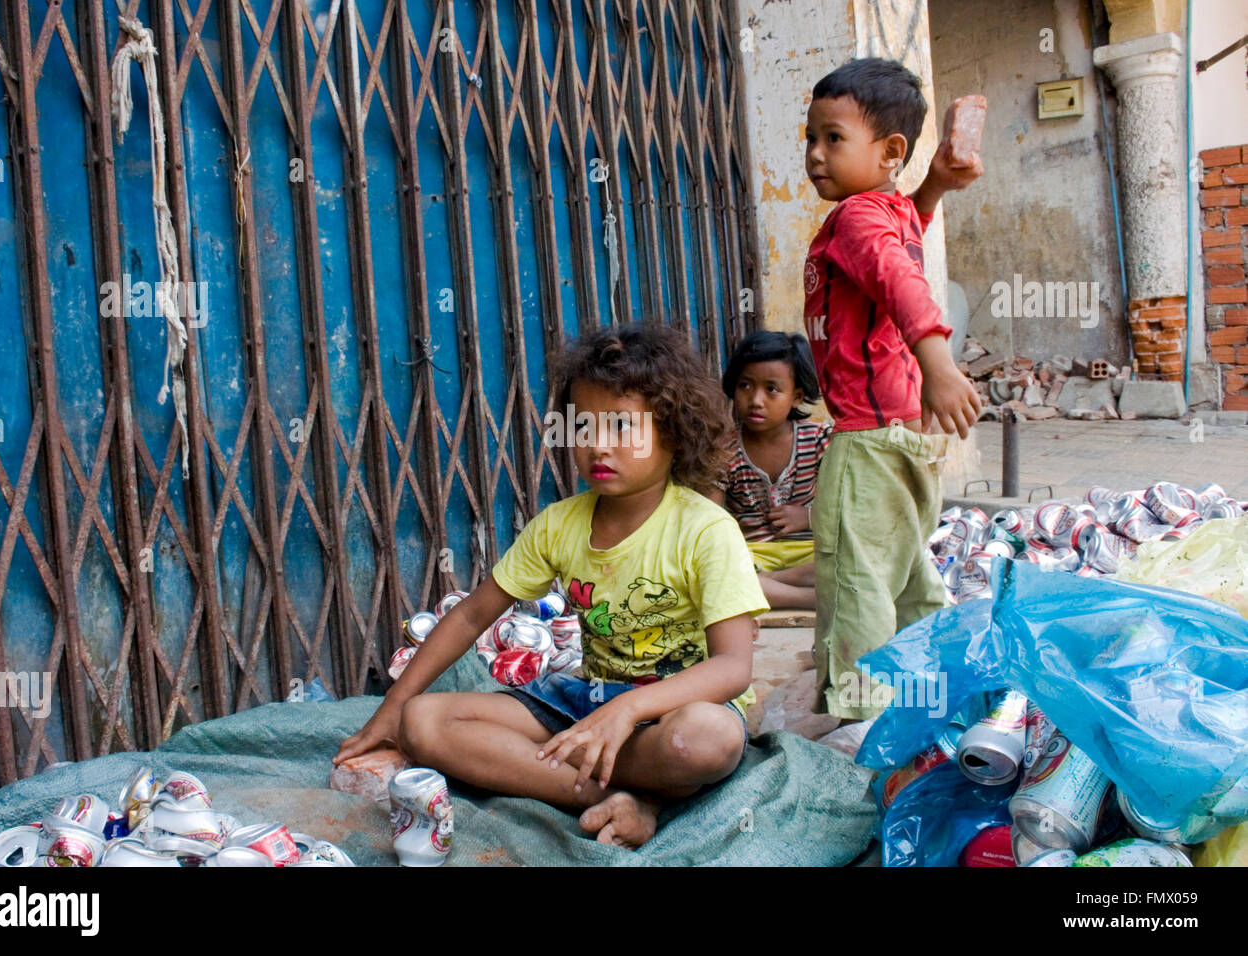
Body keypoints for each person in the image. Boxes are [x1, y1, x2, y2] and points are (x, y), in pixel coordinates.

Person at [334, 324, 769, 849]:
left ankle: (640, 790)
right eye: (583, 426)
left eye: (620, 427)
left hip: (670, 714)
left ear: (673, 432)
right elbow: (473, 615)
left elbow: (732, 667)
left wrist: (628, 710)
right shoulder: (559, 524)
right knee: (423, 722)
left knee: (704, 741)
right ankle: (616, 796)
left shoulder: (705, 530)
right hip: (584, 699)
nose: (597, 445)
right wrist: (390, 711)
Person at [802, 58, 982, 721]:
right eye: (809, 140)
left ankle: (859, 721)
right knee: (904, 574)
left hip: (868, 442)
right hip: (905, 437)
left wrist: (937, 361)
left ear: (889, 152)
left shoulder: (856, 217)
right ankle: (950, 689)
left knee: (856, 580)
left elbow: (897, 278)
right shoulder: (887, 212)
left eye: (832, 138)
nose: (816, 155)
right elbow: (905, 239)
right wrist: (935, 183)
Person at [712, 330, 831, 610]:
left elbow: (847, 506)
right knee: (719, 574)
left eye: (771, 389)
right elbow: (711, 517)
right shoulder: (722, 449)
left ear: (796, 396)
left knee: (850, 561)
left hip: (809, 552)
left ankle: (770, 585)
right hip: (752, 554)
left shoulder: (817, 440)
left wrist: (811, 517)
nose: (755, 400)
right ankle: (810, 600)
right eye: (745, 386)